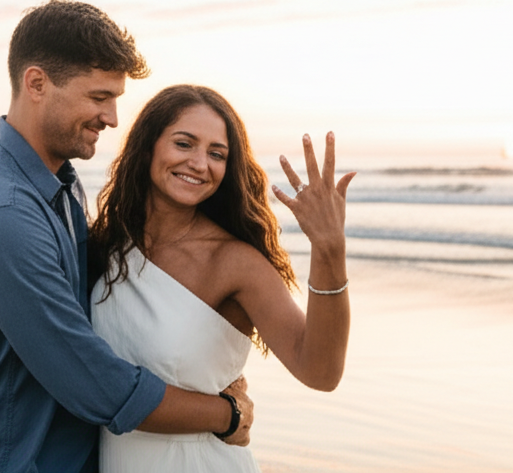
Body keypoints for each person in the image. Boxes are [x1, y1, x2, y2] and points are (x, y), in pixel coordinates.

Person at [0, 0, 252, 473]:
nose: (112, 117)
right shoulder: (1, 214)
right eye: (99, 97)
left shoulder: (61, 182)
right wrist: (224, 414)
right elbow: (90, 381)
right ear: (36, 83)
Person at [88, 84, 355, 472]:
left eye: (217, 154)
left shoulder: (235, 262)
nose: (200, 163)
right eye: (184, 144)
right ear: (148, 147)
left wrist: (329, 250)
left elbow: (321, 372)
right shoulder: (106, 247)